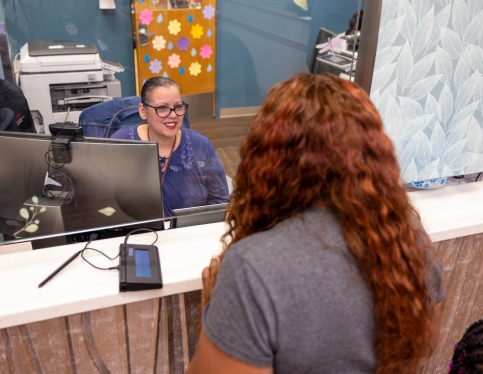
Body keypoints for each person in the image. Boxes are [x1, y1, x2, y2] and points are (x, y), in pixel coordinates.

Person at [186, 73, 445, 374]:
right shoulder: (407, 237)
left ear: (267, 157)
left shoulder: (252, 268)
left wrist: (212, 305)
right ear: (373, 152)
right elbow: (424, 344)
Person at [111, 77, 229, 216]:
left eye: (178, 106)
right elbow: (106, 202)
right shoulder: (121, 143)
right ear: (143, 111)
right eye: (162, 108)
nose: (173, 115)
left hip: (190, 233)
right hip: (137, 234)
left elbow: (220, 200)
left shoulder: (200, 145)